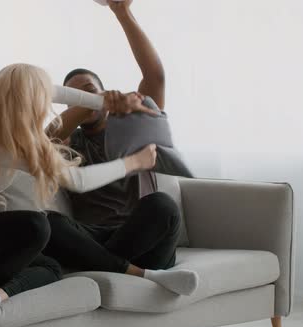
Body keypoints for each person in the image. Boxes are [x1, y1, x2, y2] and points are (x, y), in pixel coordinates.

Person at [0, 63, 180, 308]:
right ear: (32, 102)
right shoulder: (9, 144)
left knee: (51, 267)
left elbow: (60, 93)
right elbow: (78, 181)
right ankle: (137, 271)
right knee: (38, 225)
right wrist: (134, 162)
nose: (49, 100)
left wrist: (106, 102)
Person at [43, 0, 198, 294]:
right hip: (94, 238)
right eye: (74, 97)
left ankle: (99, 265)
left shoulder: (133, 125)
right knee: (49, 222)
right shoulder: (67, 143)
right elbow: (40, 139)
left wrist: (122, 12)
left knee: (162, 205)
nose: (84, 100)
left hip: (146, 239)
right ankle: (120, 268)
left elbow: (156, 76)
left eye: (89, 90)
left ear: (106, 92)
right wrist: (87, 100)